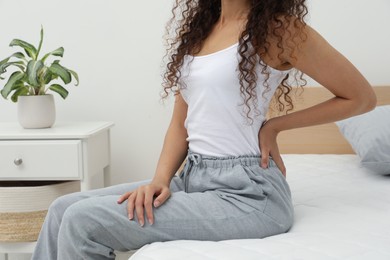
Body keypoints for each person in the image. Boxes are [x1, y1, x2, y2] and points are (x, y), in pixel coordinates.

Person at [32, 0, 376, 259]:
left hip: (250, 194)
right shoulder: (202, 30)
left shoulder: (278, 29)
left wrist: (275, 126)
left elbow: (361, 97)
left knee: (83, 220)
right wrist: (160, 181)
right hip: (193, 178)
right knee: (61, 209)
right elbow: (180, 123)